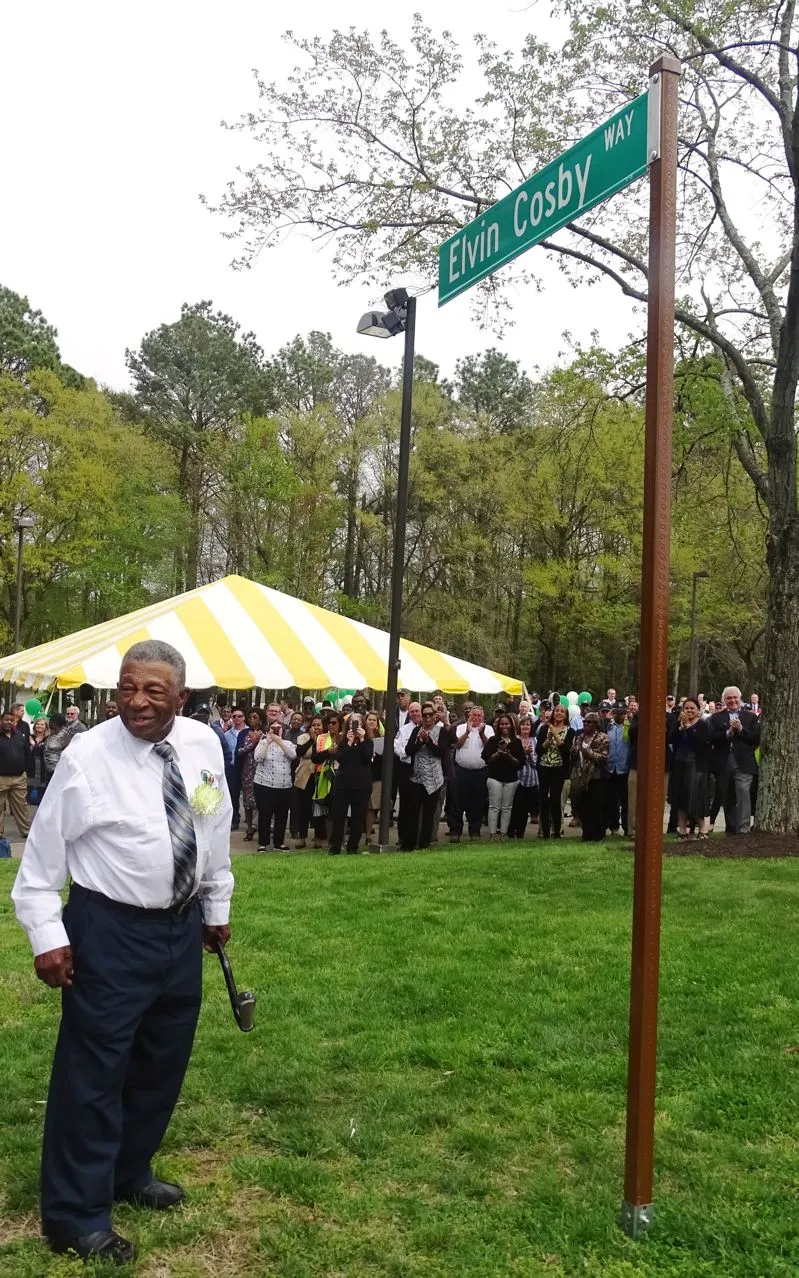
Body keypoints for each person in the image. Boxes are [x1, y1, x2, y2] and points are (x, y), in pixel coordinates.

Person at [11, 639, 233, 1265]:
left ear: (181, 698)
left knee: (160, 1062)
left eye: (152, 691)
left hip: (180, 930)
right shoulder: (87, 755)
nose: (135, 702)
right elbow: (41, 858)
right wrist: (47, 935)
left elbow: (211, 828)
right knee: (94, 1074)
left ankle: (128, 1172)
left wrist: (215, 906)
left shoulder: (202, 745)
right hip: (108, 930)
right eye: (127, 688)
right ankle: (75, 1215)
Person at [707, 686, 760, 835]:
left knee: (743, 793)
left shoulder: (750, 717)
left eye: (735, 697)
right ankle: (731, 829)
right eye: (729, 698)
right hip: (723, 761)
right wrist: (728, 733)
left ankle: (743, 829)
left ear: (740, 698)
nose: (732, 700)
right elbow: (710, 738)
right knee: (727, 795)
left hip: (743, 761)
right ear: (724, 700)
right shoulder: (716, 718)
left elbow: (756, 739)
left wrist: (741, 729)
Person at [403, 703, 450, 850]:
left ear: (436, 716)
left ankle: (425, 843)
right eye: (425, 715)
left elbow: (441, 752)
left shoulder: (442, 732)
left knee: (430, 813)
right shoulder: (416, 730)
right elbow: (408, 750)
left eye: (431, 715)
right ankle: (409, 844)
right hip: (417, 777)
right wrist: (419, 742)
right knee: (413, 812)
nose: (428, 718)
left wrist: (428, 742)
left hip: (434, 778)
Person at [328, 714, 373, 854]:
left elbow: (367, 758)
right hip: (343, 784)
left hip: (361, 785)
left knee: (358, 818)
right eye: (353, 724)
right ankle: (335, 847)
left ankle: (353, 847)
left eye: (358, 724)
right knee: (339, 817)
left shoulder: (368, 741)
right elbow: (341, 758)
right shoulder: (342, 741)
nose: (355, 727)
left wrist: (363, 739)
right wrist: (349, 742)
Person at [668, 697, 711, 838]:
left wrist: (688, 728)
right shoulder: (678, 724)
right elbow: (670, 739)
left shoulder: (702, 725)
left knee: (695, 798)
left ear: (698, 710)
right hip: (680, 764)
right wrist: (681, 727)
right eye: (686, 708)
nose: (689, 710)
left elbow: (701, 743)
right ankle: (682, 830)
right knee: (680, 798)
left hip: (696, 766)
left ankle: (702, 829)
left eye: (692, 708)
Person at [450, 707, 494, 842]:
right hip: (461, 770)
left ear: (483, 717)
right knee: (457, 801)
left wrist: (481, 734)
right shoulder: (461, 727)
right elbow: (456, 745)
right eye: (473, 715)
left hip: (480, 771)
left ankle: (475, 830)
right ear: (469, 716)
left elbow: (490, 747)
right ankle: (455, 830)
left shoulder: (488, 729)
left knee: (478, 802)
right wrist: (468, 732)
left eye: (478, 715)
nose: (476, 718)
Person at [253, 718, 296, 851]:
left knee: (282, 815)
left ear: (283, 731)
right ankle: (263, 843)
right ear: (268, 730)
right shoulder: (263, 742)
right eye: (273, 728)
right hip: (264, 784)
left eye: (279, 728)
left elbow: (293, 756)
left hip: (284, 785)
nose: (276, 731)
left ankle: (279, 842)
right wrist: (268, 742)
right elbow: (258, 758)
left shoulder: (288, 743)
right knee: (265, 814)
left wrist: (280, 742)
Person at [481, 713, 524, 840]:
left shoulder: (516, 742)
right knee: (494, 806)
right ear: (498, 726)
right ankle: (492, 834)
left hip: (511, 779)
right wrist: (498, 754)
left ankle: (503, 834)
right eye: (502, 724)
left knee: (507, 807)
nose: (504, 726)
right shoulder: (493, 740)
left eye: (507, 723)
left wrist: (509, 756)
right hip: (495, 778)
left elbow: (520, 763)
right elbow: (486, 758)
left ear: (511, 725)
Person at [570, 712, 610, 842]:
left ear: (596, 724)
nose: (585, 724)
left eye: (589, 722)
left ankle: (598, 834)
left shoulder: (603, 737)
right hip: (581, 777)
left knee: (597, 807)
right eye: (585, 722)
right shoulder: (580, 737)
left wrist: (589, 753)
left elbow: (603, 758)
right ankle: (586, 834)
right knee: (584, 807)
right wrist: (574, 752)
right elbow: (574, 757)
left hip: (597, 777)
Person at [535, 704, 573, 839]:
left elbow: (566, 751)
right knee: (543, 800)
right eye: (557, 711)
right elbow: (538, 750)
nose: (559, 713)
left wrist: (556, 737)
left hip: (559, 769)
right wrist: (548, 739)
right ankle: (545, 832)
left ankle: (556, 831)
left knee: (556, 800)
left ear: (566, 715)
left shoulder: (570, 731)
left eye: (562, 711)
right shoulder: (544, 728)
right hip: (544, 768)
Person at [290, 714, 323, 848]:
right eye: (314, 725)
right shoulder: (302, 737)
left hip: (321, 774)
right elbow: (300, 752)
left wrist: (318, 741)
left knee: (319, 808)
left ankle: (318, 837)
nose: (316, 727)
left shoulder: (326, 738)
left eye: (319, 725)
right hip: (305, 775)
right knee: (304, 807)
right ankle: (302, 837)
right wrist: (312, 740)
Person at [311, 713, 341, 848]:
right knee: (327, 810)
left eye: (334, 723)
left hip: (341, 776)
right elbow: (315, 758)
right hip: (324, 777)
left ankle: (339, 840)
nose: (331, 725)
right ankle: (330, 841)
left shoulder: (346, 737)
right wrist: (328, 752)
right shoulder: (321, 738)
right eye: (328, 723)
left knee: (340, 811)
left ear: (340, 724)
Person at [395, 702, 422, 848]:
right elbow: (398, 749)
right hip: (407, 769)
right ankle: (403, 837)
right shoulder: (404, 730)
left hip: (424, 770)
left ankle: (420, 837)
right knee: (405, 806)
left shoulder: (429, 728)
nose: (415, 714)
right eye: (412, 712)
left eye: (417, 711)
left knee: (420, 807)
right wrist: (407, 753)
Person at [0, 708, 31, 838]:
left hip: (19, 777)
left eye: (11, 720)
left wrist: (26, 771)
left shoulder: (19, 735)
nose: (9, 722)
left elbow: (27, 754)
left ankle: (27, 831)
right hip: (1, 778)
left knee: (22, 806)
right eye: (6, 719)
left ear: (14, 722)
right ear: (1, 721)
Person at [507, 716, 539, 838]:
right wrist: (523, 755)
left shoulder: (535, 741)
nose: (525, 727)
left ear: (531, 727)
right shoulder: (514, 741)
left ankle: (521, 833)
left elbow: (537, 762)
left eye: (528, 724)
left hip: (531, 779)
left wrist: (529, 755)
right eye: (523, 724)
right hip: (517, 778)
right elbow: (512, 761)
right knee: (515, 807)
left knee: (525, 809)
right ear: (519, 727)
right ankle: (511, 831)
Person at [236, 709, 263, 841]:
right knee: (248, 802)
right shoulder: (244, 733)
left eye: (255, 716)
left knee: (262, 801)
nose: (252, 718)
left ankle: (261, 827)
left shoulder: (265, 734)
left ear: (260, 719)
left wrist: (259, 741)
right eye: (250, 716)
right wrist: (253, 744)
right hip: (246, 772)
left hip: (262, 771)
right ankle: (249, 829)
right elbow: (239, 752)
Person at [605, 701, 631, 836]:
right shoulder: (608, 726)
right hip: (611, 767)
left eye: (623, 713)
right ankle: (613, 827)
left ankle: (627, 827)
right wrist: (607, 717)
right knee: (612, 800)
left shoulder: (629, 726)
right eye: (618, 713)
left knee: (625, 801)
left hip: (624, 767)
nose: (621, 716)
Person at [362, 711, 384, 846]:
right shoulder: (360, 737)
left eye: (374, 720)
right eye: (369, 719)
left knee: (372, 807)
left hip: (376, 776)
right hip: (362, 775)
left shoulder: (382, 738)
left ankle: (368, 834)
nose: (371, 722)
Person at [226, 708, 247, 829]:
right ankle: (234, 819)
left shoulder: (250, 732)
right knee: (233, 795)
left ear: (244, 717)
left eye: (239, 716)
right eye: (234, 716)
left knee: (248, 795)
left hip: (246, 768)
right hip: (233, 768)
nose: (237, 718)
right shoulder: (227, 735)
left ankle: (251, 822)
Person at [27, 716, 50, 807]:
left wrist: (37, 745)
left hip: (43, 768)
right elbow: (27, 751)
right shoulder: (30, 737)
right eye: (38, 724)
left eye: (42, 724)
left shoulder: (48, 738)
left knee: (41, 792)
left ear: (46, 727)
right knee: (29, 791)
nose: (39, 726)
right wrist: (33, 745)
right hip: (31, 767)